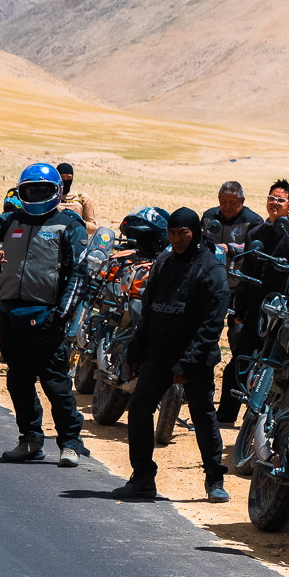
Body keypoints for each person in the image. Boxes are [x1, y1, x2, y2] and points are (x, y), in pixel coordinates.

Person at [0, 163, 92, 467]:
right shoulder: (12, 220)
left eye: (43, 189)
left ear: (57, 192)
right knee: (18, 381)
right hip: (11, 315)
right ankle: (30, 439)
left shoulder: (69, 224)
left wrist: (61, 316)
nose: (37, 194)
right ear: (21, 191)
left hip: (47, 317)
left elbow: (77, 274)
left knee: (55, 383)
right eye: (30, 190)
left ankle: (69, 443)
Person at [113, 207, 231, 503]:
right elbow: (149, 311)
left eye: (183, 233)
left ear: (197, 232)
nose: (177, 239)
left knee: (203, 415)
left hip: (195, 359)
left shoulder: (211, 270)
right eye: (172, 233)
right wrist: (135, 351)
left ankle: (214, 478)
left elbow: (211, 325)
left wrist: (187, 363)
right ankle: (142, 477)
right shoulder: (164, 262)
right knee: (139, 409)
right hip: (158, 354)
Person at [218, 180, 289, 427]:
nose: (275, 203)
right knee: (240, 359)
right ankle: (226, 415)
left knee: (276, 365)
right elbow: (246, 271)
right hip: (254, 309)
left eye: (281, 200)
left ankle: (264, 419)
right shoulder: (255, 233)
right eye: (272, 198)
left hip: (282, 312)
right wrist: (240, 309)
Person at [200, 181, 260, 259]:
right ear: (219, 199)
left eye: (232, 202)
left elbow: (254, 249)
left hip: (237, 268)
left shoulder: (253, 221)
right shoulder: (208, 216)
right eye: (223, 202)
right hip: (209, 265)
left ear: (242, 201)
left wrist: (230, 249)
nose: (227, 206)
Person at [57, 161, 97, 230]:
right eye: (62, 177)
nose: (65, 180)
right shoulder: (49, 197)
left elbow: (93, 227)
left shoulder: (82, 198)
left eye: (69, 177)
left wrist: (80, 223)